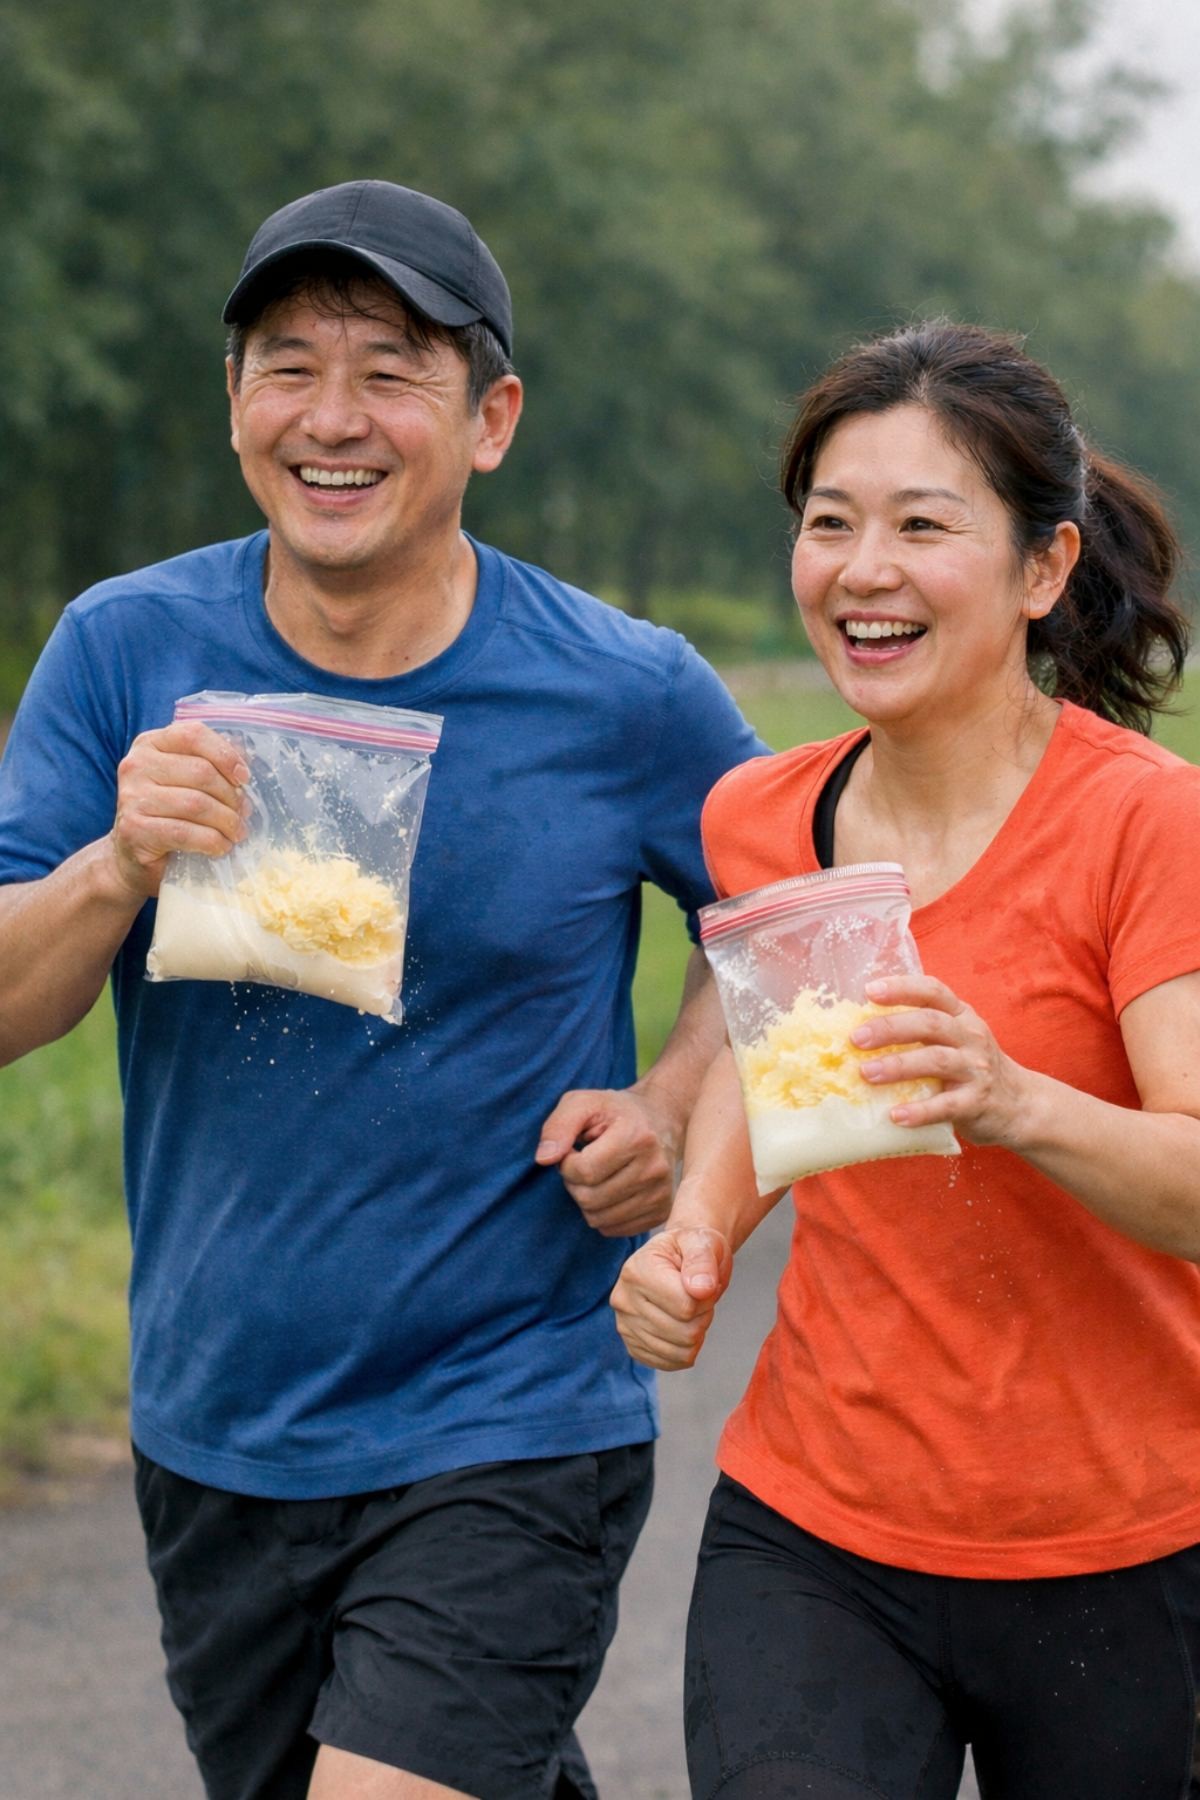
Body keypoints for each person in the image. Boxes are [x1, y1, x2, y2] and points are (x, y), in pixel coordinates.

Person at [0, 179, 764, 1800]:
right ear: (232, 404)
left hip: (514, 1415)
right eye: (288, 365)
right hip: (217, 1428)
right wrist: (113, 868)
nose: (330, 418)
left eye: (389, 371)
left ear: (490, 418)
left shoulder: (626, 691)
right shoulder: (123, 650)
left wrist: (670, 1103)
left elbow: (769, 927)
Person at [611, 319, 1200, 1799]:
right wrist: (697, 1233)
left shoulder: (1147, 826)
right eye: (829, 524)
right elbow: (777, 1064)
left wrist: (1016, 1099)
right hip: (818, 1525)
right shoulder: (762, 815)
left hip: (1132, 1549)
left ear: (1044, 568)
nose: (862, 570)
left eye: (921, 527)